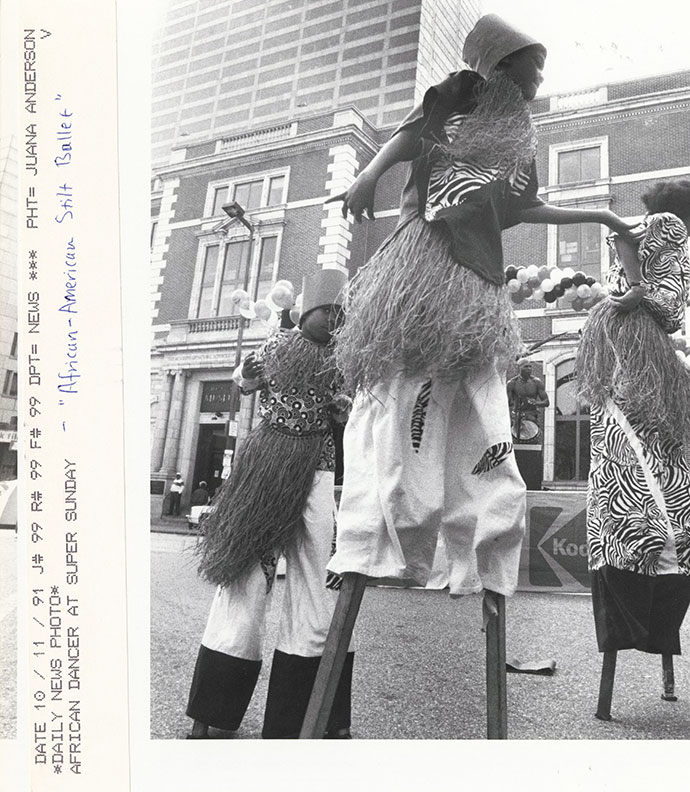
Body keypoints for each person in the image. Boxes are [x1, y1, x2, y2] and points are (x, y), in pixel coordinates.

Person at [327, 13, 639, 603]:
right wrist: (370, 173)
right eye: (530, 70)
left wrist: (602, 215)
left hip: (479, 276)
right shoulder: (465, 90)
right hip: (427, 260)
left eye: (541, 74)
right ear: (498, 63)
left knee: (473, 411)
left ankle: (467, 552)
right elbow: (415, 130)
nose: (536, 84)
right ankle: (386, 540)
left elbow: (521, 208)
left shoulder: (521, 136)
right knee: (406, 400)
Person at [186, 269, 356, 739]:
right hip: (265, 471)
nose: (335, 321)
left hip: (316, 473)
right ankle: (209, 712)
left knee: (319, 582)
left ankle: (309, 716)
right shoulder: (277, 345)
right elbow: (242, 380)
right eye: (328, 312)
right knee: (245, 578)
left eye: (341, 314)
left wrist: (344, 412)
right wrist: (246, 373)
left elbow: (353, 408)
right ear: (305, 312)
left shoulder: (344, 358)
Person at [576, 179, 690, 716]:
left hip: (616, 355)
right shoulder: (672, 227)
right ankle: (656, 569)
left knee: (621, 465)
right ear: (689, 212)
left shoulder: (640, 229)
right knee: (655, 466)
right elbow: (670, 304)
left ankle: (631, 566)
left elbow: (625, 255)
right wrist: (645, 295)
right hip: (639, 358)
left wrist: (633, 288)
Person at [506, 359, 549, 441]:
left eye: (530, 367)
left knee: (534, 442)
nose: (529, 369)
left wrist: (536, 403)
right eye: (526, 367)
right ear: (519, 368)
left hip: (532, 417)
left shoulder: (536, 382)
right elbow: (507, 404)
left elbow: (546, 402)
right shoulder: (512, 383)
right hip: (517, 419)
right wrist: (514, 414)